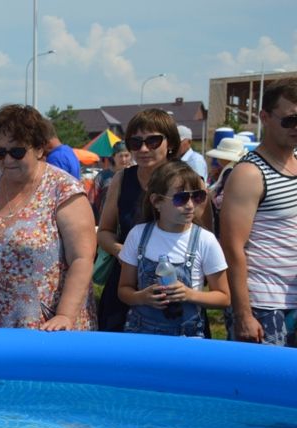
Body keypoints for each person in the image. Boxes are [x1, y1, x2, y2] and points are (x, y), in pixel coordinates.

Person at [0, 104, 96, 330]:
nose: (7, 159)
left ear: (39, 149)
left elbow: (82, 259)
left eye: (17, 151)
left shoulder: (64, 190)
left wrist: (65, 315)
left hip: (51, 329)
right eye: (0, 152)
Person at [220, 77, 297, 347]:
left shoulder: (295, 164)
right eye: (290, 120)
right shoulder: (249, 173)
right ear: (265, 117)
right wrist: (243, 314)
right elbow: (232, 247)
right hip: (263, 304)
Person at [117, 161, 229, 337]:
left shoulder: (205, 240)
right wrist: (141, 297)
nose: (190, 205)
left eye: (197, 196)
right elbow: (124, 290)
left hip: (187, 336)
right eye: (181, 198)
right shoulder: (138, 235)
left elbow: (223, 297)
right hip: (141, 333)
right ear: (156, 201)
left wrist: (189, 294)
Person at [96, 108, 182, 332]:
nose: (143, 149)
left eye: (153, 141)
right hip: (126, 284)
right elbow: (104, 231)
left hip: (172, 285)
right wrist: (124, 253)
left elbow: (204, 235)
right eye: (135, 142)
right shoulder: (122, 179)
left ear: (170, 143)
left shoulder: (188, 181)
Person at [205, 136, 248, 237]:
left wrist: (208, 194)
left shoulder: (229, 172)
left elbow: (220, 201)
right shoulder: (234, 170)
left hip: (225, 227)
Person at [88, 140, 132, 221]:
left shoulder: (134, 175)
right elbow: (91, 201)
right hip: (106, 220)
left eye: (126, 155)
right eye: (120, 156)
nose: (124, 159)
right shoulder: (102, 176)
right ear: (114, 157)